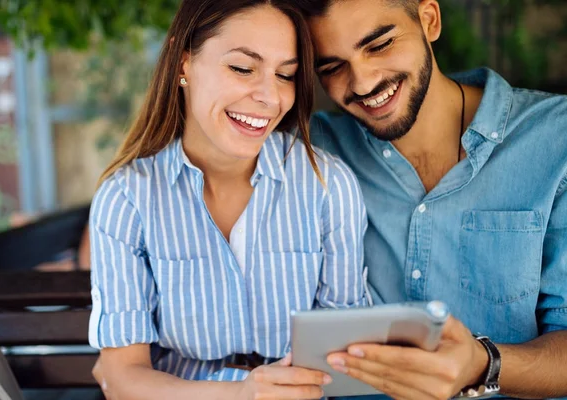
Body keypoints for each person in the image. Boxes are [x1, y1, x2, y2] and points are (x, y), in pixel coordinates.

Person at [88, 0, 368, 399]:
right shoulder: (127, 198)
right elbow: (119, 377)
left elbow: (342, 356)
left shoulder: (327, 185)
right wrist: (241, 395)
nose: (270, 97)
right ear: (183, 63)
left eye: (286, 75)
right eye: (242, 68)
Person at [294, 0, 567, 399]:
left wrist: (483, 363)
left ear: (429, 19)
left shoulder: (556, 138)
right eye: (332, 68)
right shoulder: (311, 152)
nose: (363, 82)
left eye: (380, 44)